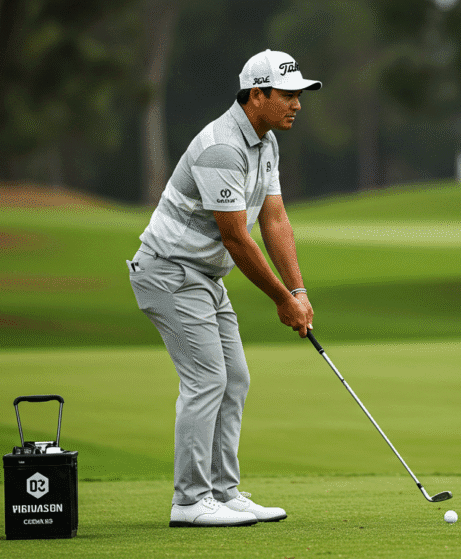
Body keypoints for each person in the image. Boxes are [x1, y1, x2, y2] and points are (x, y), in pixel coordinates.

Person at [128, 50, 321, 527]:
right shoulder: (222, 148)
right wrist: (281, 300)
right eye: (288, 94)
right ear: (257, 94)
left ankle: (221, 491)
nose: (297, 104)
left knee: (234, 379)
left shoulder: (265, 142)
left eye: (299, 95)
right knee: (206, 380)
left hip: (203, 277)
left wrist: (297, 290)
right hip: (169, 271)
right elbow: (237, 237)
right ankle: (190, 501)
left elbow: (274, 219)